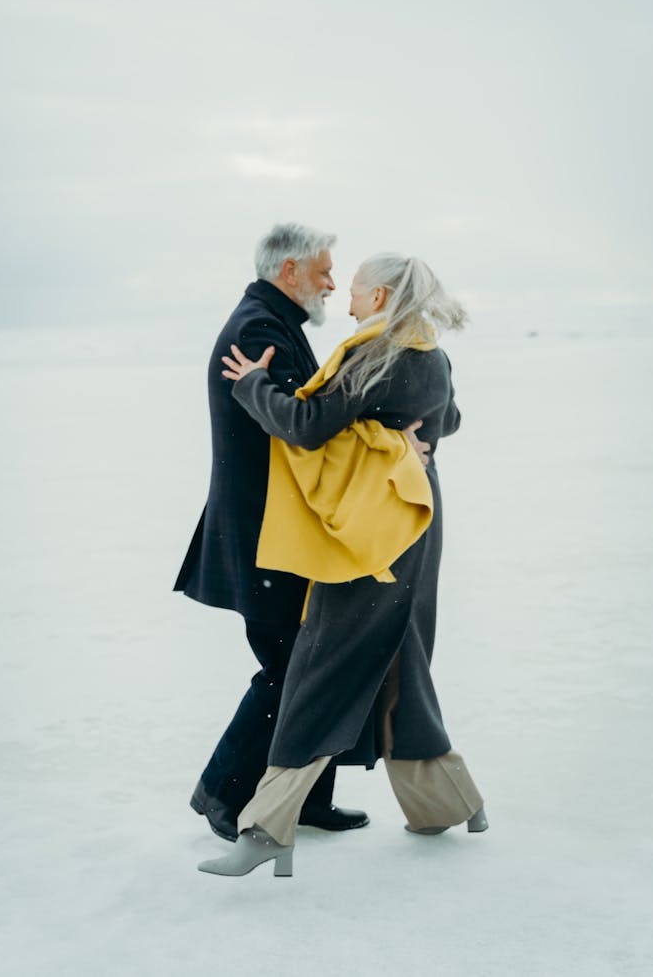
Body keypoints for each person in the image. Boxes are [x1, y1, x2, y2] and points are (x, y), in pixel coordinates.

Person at [197, 253, 487, 878]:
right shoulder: (429, 351)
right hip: (416, 523)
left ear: (379, 296)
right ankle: (450, 805)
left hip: (368, 535)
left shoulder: (372, 354)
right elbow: (450, 421)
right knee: (402, 663)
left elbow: (304, 427)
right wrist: (390, 436)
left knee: (318, 669)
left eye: (354, 288)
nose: (346, 298)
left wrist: (252, 384)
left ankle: (267, 830)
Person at [175, 223, 370, 840]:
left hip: (277, 533)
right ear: (290, 272)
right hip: (264, 537)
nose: (332, 283)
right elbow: (302, 425)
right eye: (323, 271)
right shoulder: (259, 327)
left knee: (310, 664)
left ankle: (306, 800)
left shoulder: (269, 319)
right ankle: (222, 792)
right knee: (292, 667)